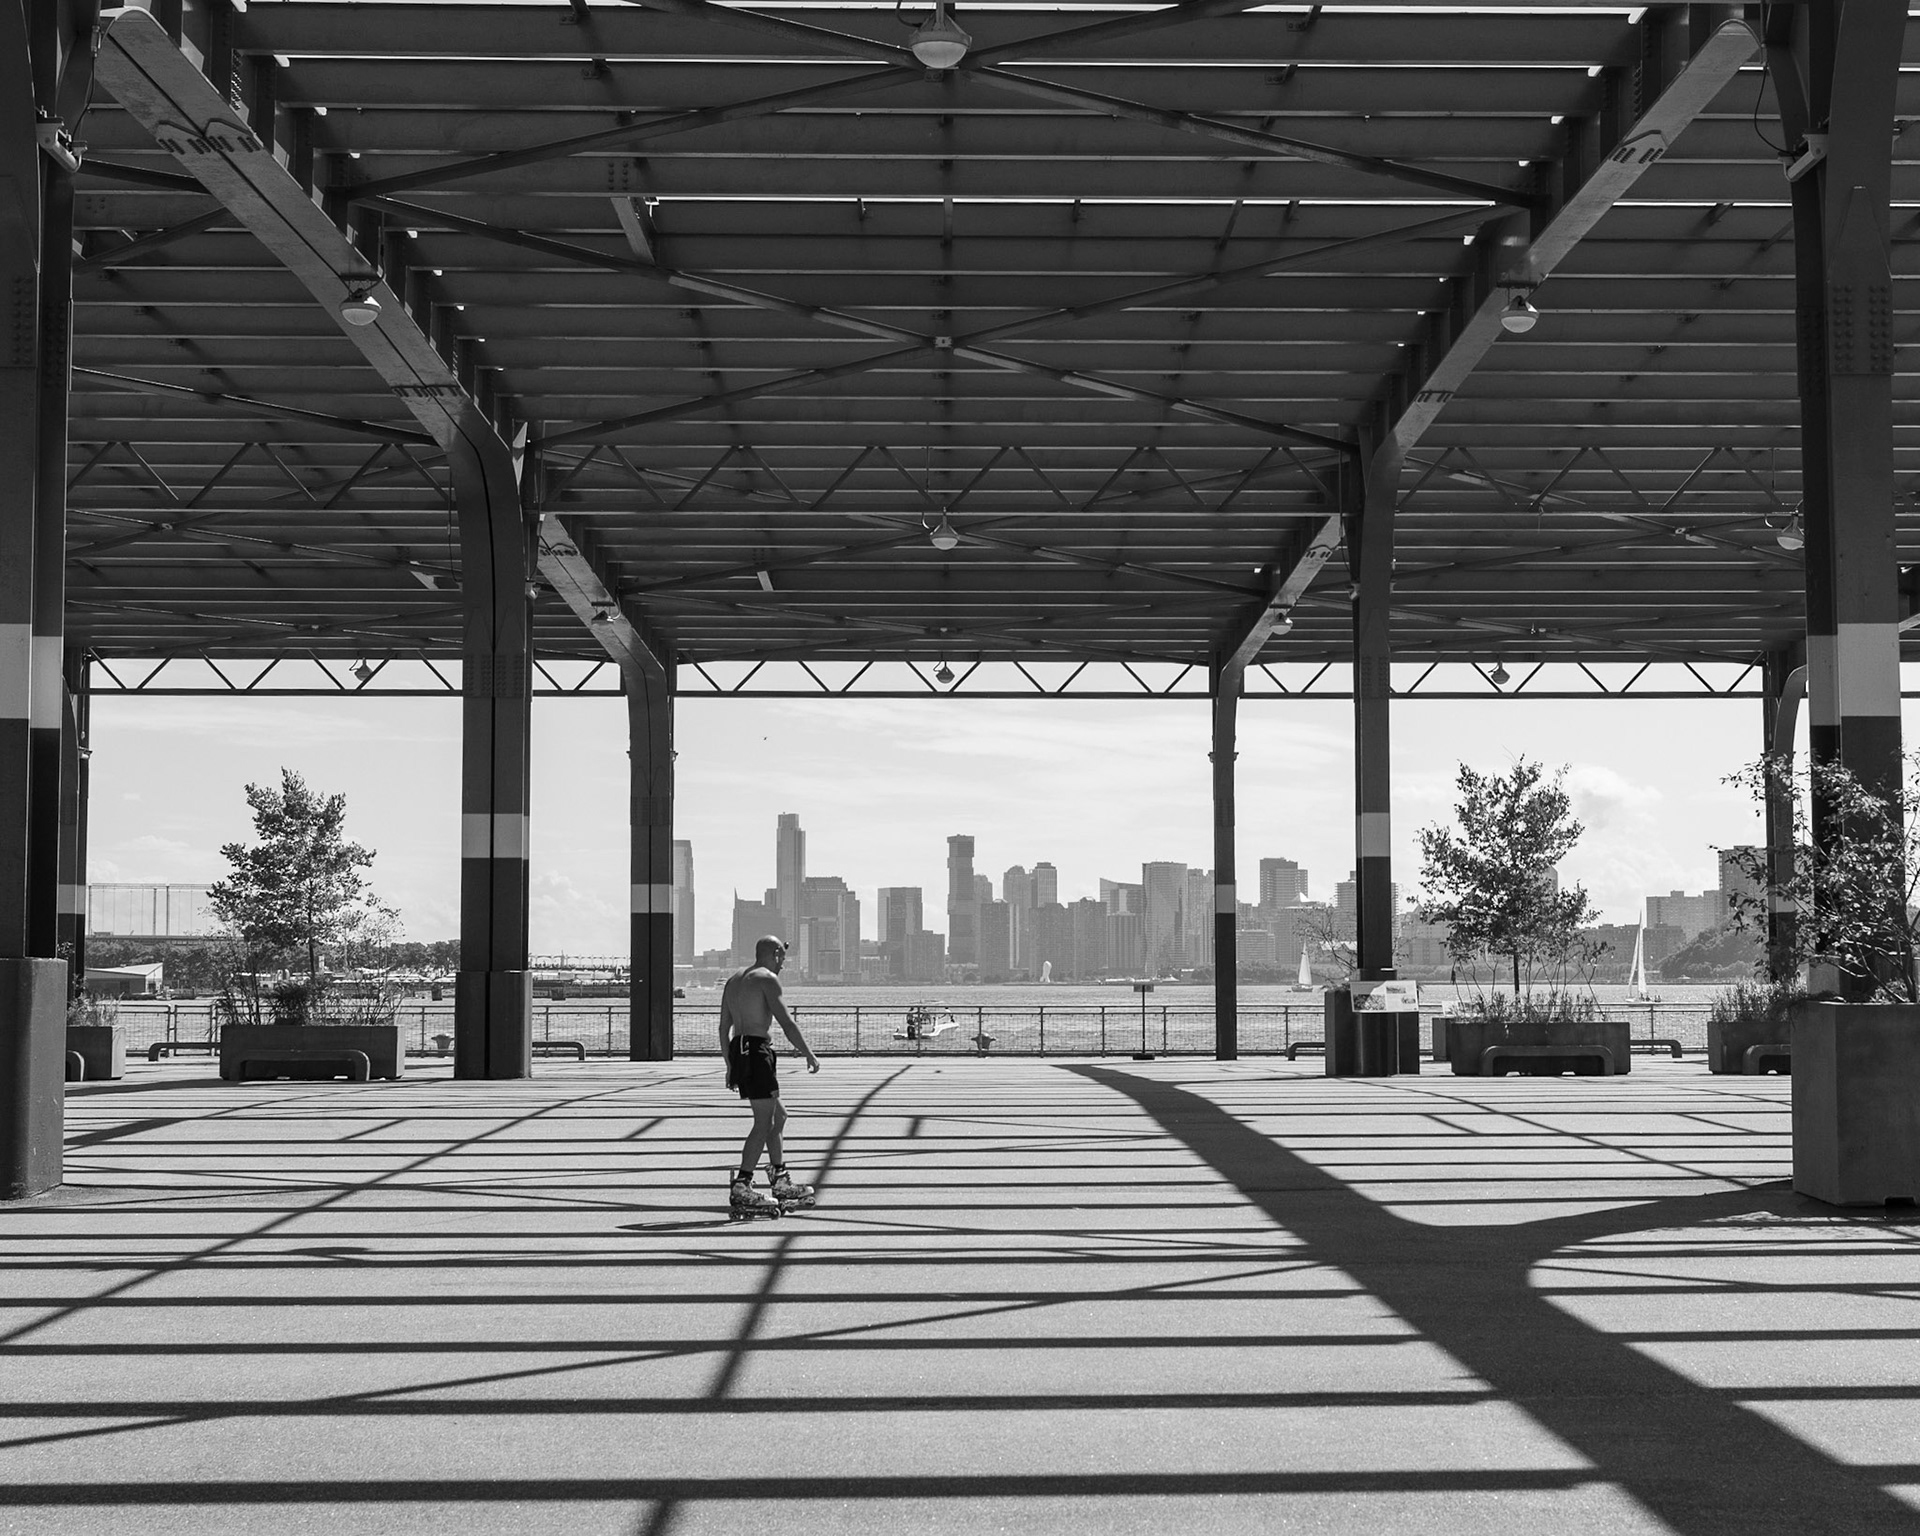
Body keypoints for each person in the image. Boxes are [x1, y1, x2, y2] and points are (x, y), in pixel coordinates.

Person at [719, 935, 820, 1213]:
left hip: (740, 1050)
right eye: (783, 957)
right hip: (756, 1049)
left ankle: (779, 1178)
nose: (784, 964)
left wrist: (730, 1065)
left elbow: (723, 1027)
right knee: (763, 1123)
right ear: (775, 953)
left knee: (779, 1116)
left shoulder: (734, 980)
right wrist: (808, 1053)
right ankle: (743, 1184)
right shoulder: (766, 979)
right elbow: (786, 1022)